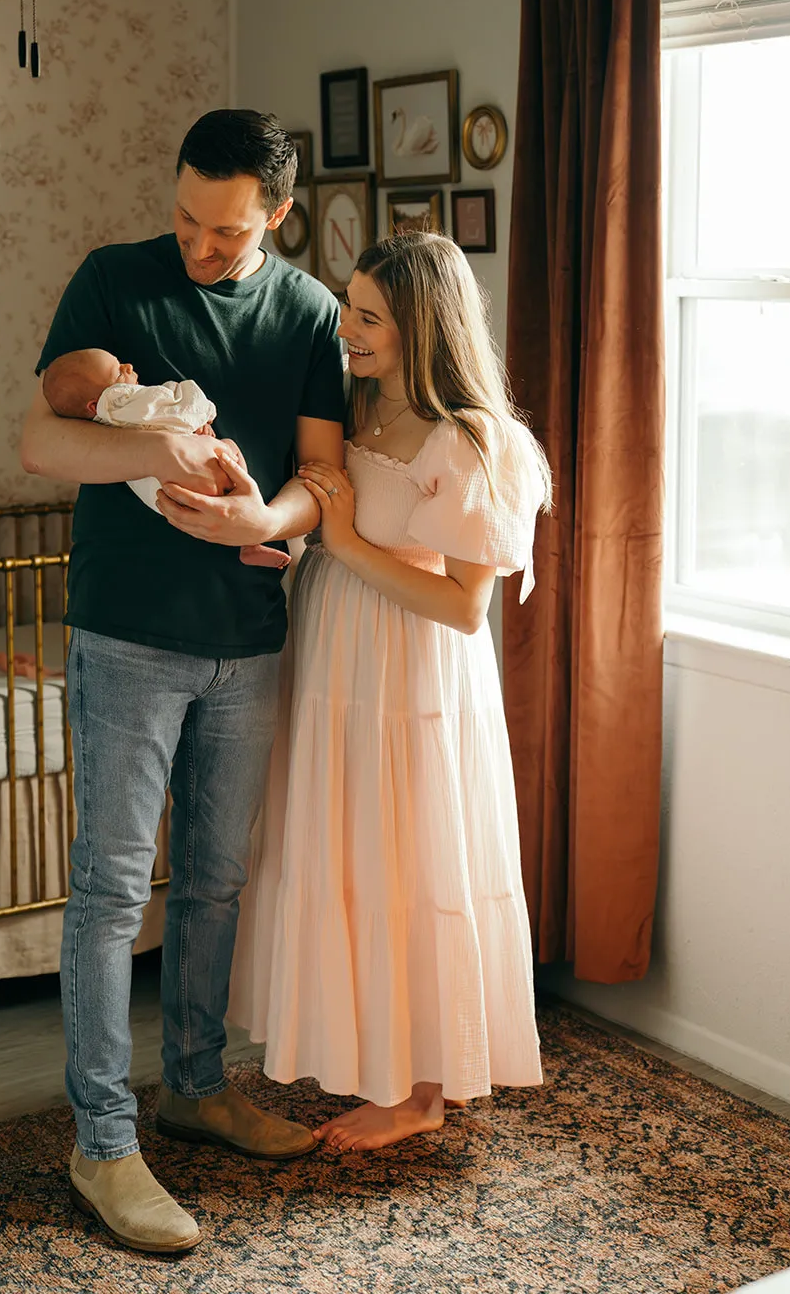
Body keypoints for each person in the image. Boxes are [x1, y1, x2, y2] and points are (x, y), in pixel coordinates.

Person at [19, 110, 345, 1255]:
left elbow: (321, 478)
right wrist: (150, 448)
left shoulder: (308, 313)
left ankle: (194, 1087)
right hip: (127, 634)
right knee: (110, 893)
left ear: (276, 214)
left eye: (224, 231)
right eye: (185, 220)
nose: (198, 247)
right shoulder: (113, 282)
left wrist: (267, 516)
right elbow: (41, 442)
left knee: (213, 883)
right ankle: (102, 1140)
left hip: (247, 636)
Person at [229, 231, 552, 1153]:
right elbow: (329, 519)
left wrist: (346, 547)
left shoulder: (474, 442)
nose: (346, 326)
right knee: (347, 855)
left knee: (410, 863)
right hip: (334, 655)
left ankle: (420, 1092)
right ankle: (361, 1053)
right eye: (349, 305)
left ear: (421, 327)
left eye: (368, 316)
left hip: (408, 673)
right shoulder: (355, 408)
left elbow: (460, 606)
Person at [41, 347, 289, 568]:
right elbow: (175, 407)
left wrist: (192, 430)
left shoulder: (109, 424)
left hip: (166, 493)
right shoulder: (122, 403)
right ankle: (251, 544)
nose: (127, 366)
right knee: (230, 448)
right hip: (182, 476)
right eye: (117, 372)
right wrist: (201, 413)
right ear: (95, 405)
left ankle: (249, 544)